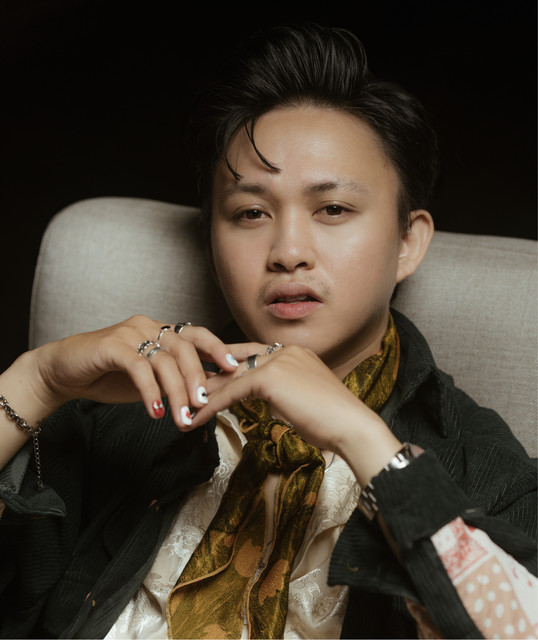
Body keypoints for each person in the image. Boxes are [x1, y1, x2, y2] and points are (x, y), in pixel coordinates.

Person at [0, 23, 536, 640]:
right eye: (251, 212)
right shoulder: (125, 413)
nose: (288, 252)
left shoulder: (477, 461)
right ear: (212, 241)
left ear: (408, 242)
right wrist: (35, 382)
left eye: (332, 209)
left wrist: (365, 443)